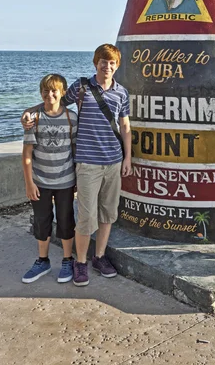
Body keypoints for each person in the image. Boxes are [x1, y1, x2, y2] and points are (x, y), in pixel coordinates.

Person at [22, 44, 132, 287]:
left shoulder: (122, 93)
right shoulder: (82, 87)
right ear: (96, 63)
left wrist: (127, 158)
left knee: (107, 214)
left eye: (112, 62)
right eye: (103, 61)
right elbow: (55, 103)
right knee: (85, 216)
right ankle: (79, 262)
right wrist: (28, 113)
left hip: (113, 162)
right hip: (87, 164)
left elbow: (125, 127)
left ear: (117, 66)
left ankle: (99, 257)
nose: (107, 66)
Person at [22, 74, 77, 284]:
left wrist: (77, 179)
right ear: (40, 93)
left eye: (54, 90)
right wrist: (29, 182)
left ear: (63, 93)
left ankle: (67, 259)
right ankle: (42, 260)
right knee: (41, 221)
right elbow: (27, 155)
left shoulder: (72, 118)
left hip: (65, 181)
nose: (50, 94)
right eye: (45, 90)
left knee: (65, 221)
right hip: (40, 182)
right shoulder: (33, 119)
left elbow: (74, 150)